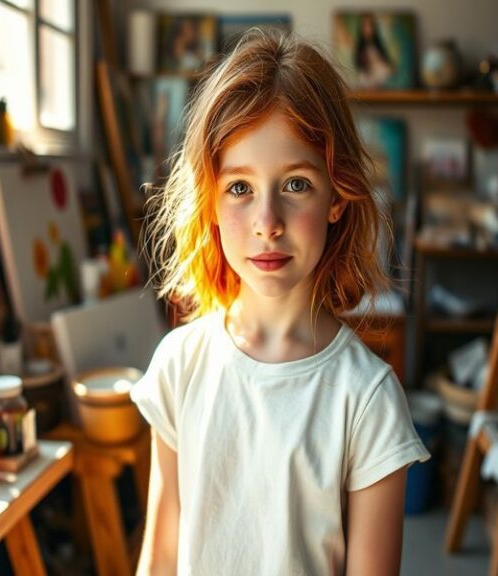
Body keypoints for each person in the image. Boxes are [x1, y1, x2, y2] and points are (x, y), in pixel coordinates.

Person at [131, 29, 429, 575]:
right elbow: (162, 553)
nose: (267, 223)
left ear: (338, 197)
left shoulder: (367, 402)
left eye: (295, 185)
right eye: (240, 188)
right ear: (211, 202)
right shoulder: (179, 366)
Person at [354, 14, 393, 88]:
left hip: (378, 79)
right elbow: (360, 68)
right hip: (366, 79)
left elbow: (386, 64)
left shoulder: (377, 46)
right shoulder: (361, 48)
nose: (367, 29)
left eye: (369, 25)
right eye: (364, 26)